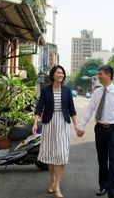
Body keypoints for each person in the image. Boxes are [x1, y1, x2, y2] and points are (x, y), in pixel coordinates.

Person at [76, 65, 114, 198]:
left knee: (113, 161)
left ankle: (113, 192)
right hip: (100, 129)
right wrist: (82, 126)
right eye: (98, 74)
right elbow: (89, 110)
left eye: (101, 74)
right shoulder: (97, 92)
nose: (98, 76)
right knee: (101, 160)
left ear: (108, 75)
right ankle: (104, 186)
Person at [32, 65, 78, 198]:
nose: (61, 75)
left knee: (61, 155)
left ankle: (57, 186)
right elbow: (39, 107)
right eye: (58, 73)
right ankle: (52, 180)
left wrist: (76, 126)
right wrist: (35, 123)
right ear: (53, 75)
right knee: (51, 154)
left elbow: (72, 110)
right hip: (49, 123)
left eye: (62, 73)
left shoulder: (67, 90)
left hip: (63, 123)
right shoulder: (46, 90)